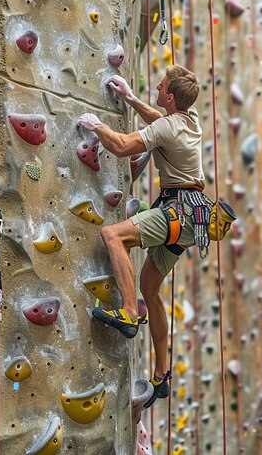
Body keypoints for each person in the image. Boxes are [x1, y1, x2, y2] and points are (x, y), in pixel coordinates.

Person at [77, 64, 204, 409]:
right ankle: (162, 374)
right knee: (152, 287)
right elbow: (159, 121)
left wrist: (96, 124)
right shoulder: (190, 120)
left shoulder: (169, 125)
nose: (158, 88)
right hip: (192, 217)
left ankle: (130, 314)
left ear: (171, 97)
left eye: (162, 87)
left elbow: (120, 146)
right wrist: (131, 98)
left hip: (176, 212)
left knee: (112, 235)